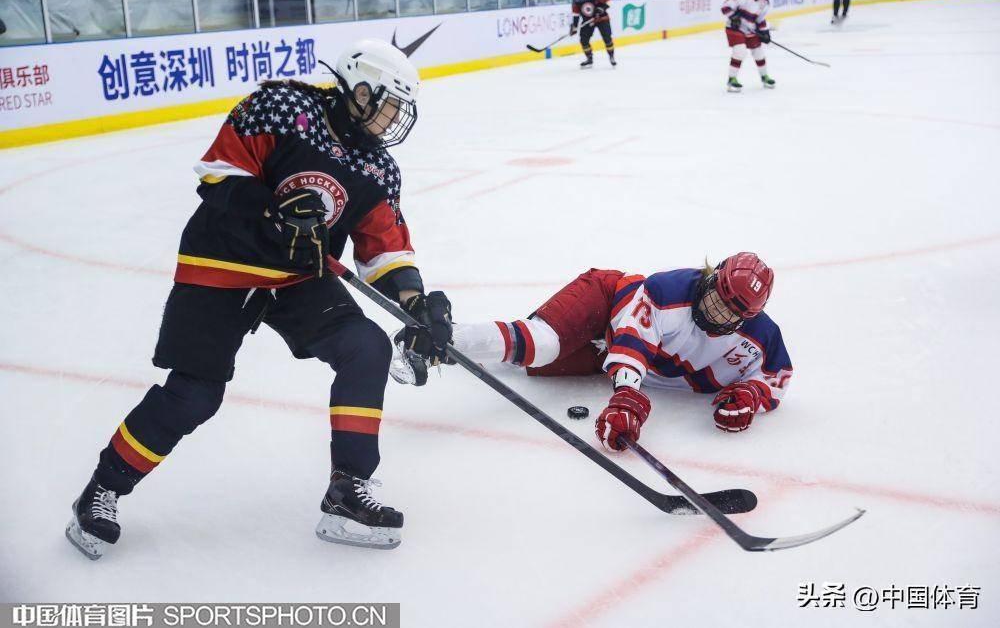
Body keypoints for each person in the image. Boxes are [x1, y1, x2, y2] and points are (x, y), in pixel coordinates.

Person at [65, 39, 454, 559]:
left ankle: (347, 491)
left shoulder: (378, 168)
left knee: (367, 346)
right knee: (194, 395)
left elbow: (385, 249)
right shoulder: (282, 107)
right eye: (385, 105)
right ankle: (103, 489)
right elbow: (219, 173)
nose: (389, 121)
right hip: (223, 264)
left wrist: (414, 302)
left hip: (297, 278)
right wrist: (273, 211)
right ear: (358, 89)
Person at [392, 254, 793, 446]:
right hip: (607, 302)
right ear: (711, 279)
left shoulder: (760, 337)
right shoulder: (669, 291)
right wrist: (626, 394)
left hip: (605, 356)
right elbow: (634, 340)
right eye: (717, 298)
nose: (718, 312)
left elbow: (775, 377)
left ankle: (450, 342)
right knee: (541, 346)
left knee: (528, 368)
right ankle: (438, 339)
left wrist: (751, 395)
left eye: (731, 313)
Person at [720, 0, 774, 92]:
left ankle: (764, 77)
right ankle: (731, 79)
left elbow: (760, 20)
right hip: (735, 28)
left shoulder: (764, 2)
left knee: (758, 52)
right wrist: (734, 17)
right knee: (740, 51)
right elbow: (725, 7)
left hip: (751, 29)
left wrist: (765, 33)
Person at [570, 0, 616, 69]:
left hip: (602, 19)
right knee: (583, 40)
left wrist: (601, 9)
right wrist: (574, 26)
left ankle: (611, 57)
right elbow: (576, 13)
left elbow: (608, 2)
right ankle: (589, 59)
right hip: (588, 21)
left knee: (607, 38)